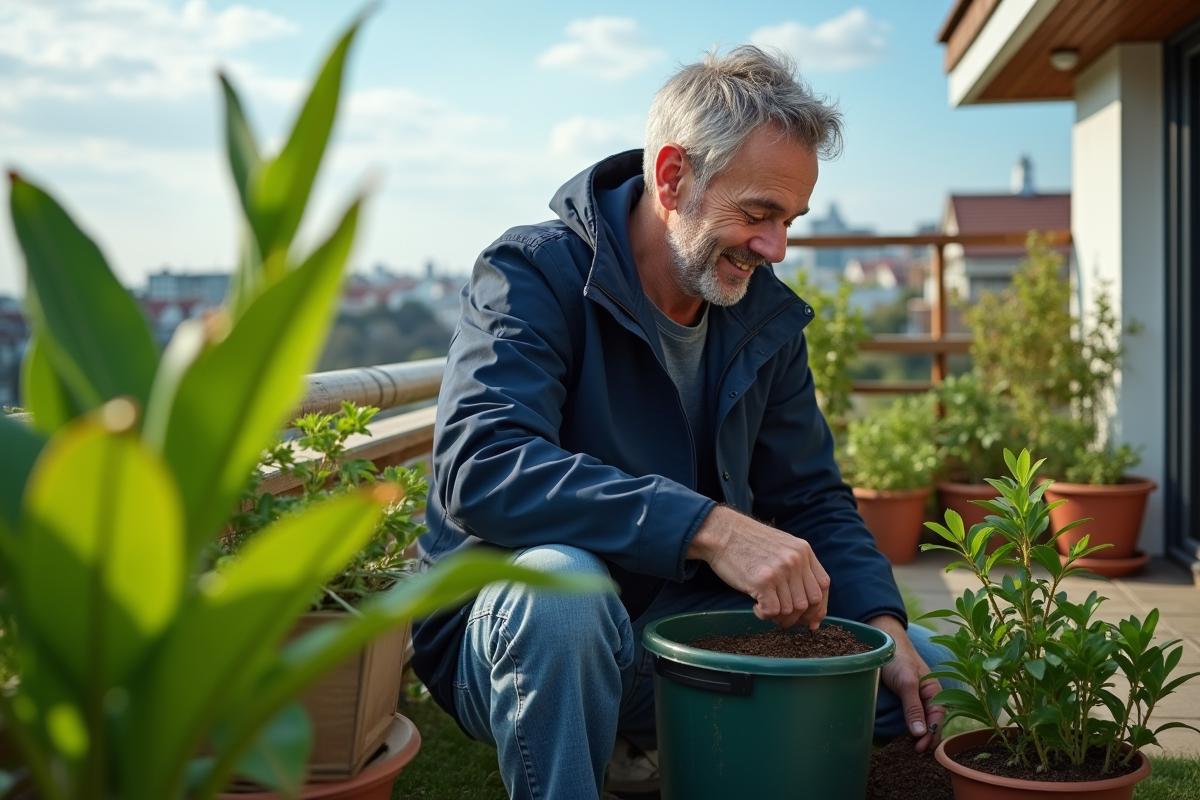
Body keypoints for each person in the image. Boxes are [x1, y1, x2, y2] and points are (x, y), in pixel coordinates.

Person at [411, 45, 949, 800]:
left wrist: (884, 626)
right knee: (566, 592)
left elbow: (811, 498)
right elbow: (483, 466)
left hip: (680, 632)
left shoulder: (764, 314)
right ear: (672, 177)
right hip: (516, 635)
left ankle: (647, 739)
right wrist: (714, 528)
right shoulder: (531, 274)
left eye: (789, 220)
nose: (776, 248)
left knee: (933, 672)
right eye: (758, 213)